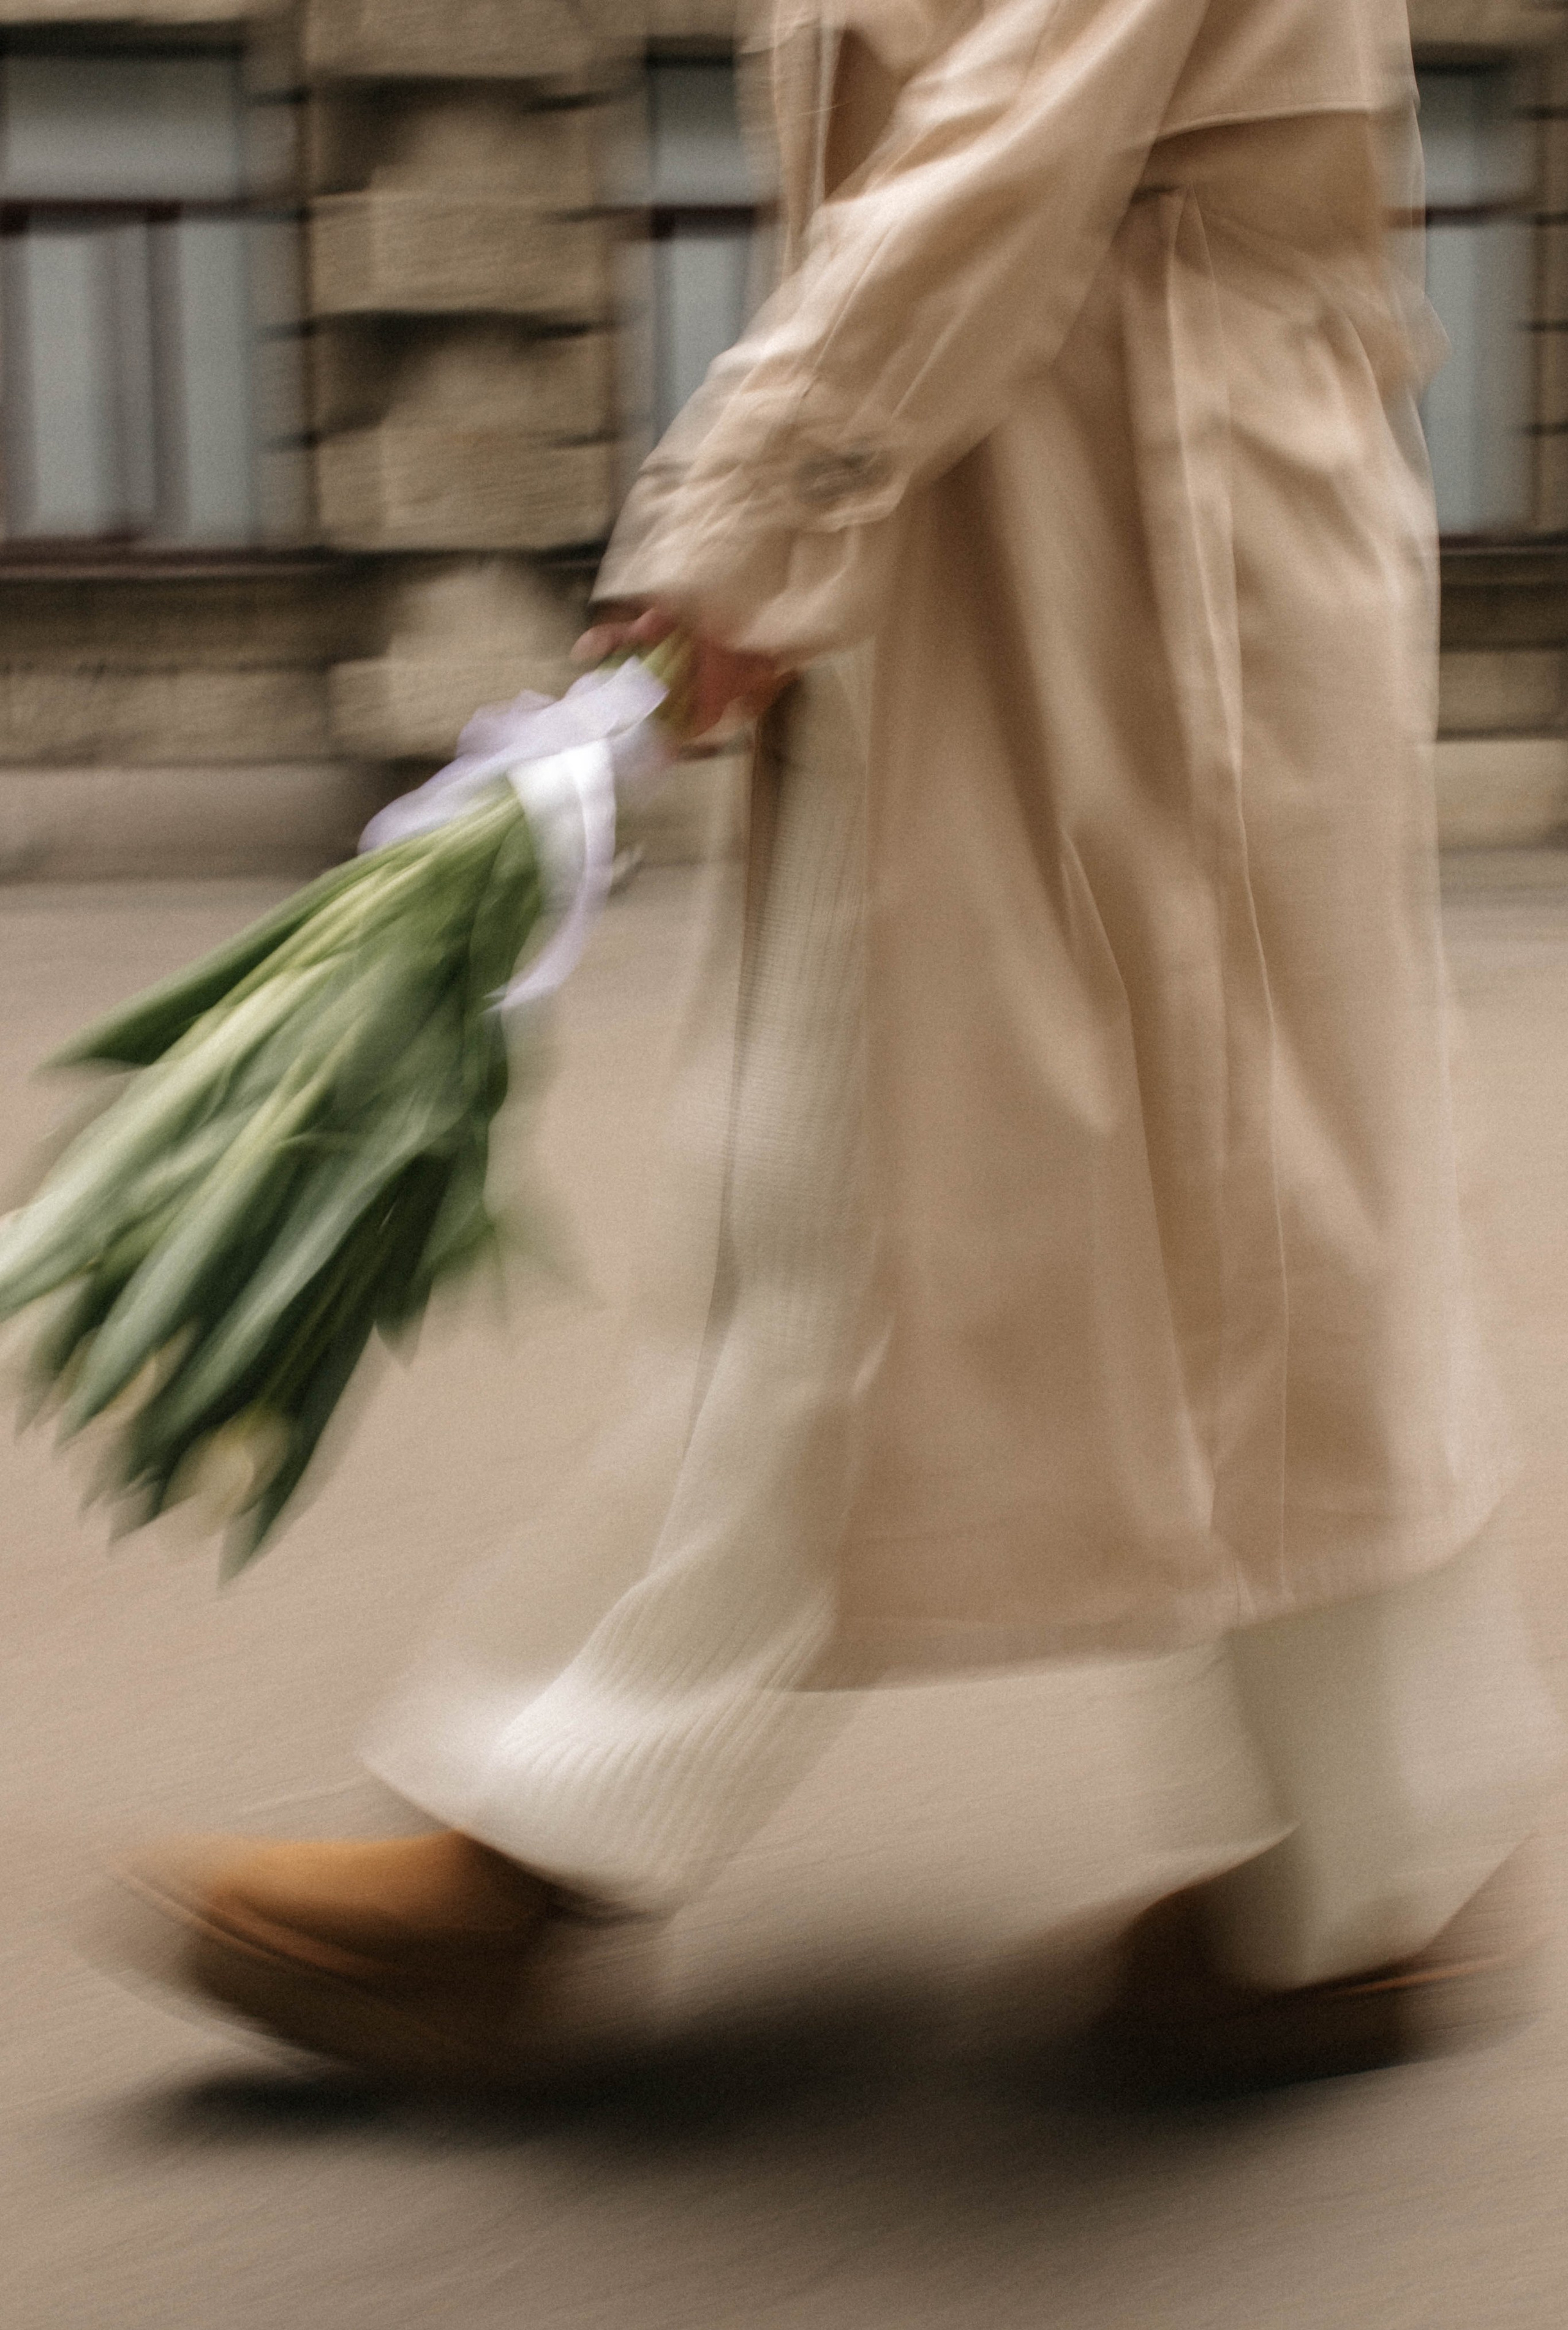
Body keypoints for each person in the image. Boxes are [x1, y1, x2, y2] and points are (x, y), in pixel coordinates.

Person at [111, 0, 1564, 2094]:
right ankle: (1374, 1868)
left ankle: (544, 1839)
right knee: (1225, 1223)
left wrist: (750, 510)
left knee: (923, 1193)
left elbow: (1012, 131)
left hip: (1130, 531)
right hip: (1059, 504)